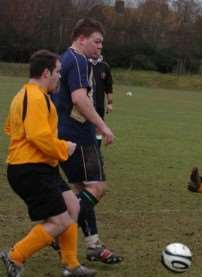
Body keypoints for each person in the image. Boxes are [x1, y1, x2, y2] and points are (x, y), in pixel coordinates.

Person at [0, 50, 96, 277]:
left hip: (41, 166)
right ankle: (15, 256)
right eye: (58, 72)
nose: (60, 77)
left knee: (73, 205)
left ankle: (71, 265)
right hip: (30, 170)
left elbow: (11, 129)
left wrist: (53, 148)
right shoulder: (34, 97)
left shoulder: (30, 94)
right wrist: (63, 147)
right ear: (46, 73)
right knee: (61, 220)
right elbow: (38, 137)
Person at [52, 18, 123, 265]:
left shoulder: (65, 59)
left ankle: (93, 246)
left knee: (79, 191)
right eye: (97, 41)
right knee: (97, 188)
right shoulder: (80, 59)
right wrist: (102, 126)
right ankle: (58, 229)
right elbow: (80, 98)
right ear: (81, 38)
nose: (100, 47)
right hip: (80, 137)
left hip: (64, 134)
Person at [89, 55, 113, 149]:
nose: (98, 49)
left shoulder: (105, 66)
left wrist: (110, 103)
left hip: (99, 103)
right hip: (86, 103)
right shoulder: (85, 64)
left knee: (98, 128)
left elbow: (109, 87)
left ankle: (97, 150)